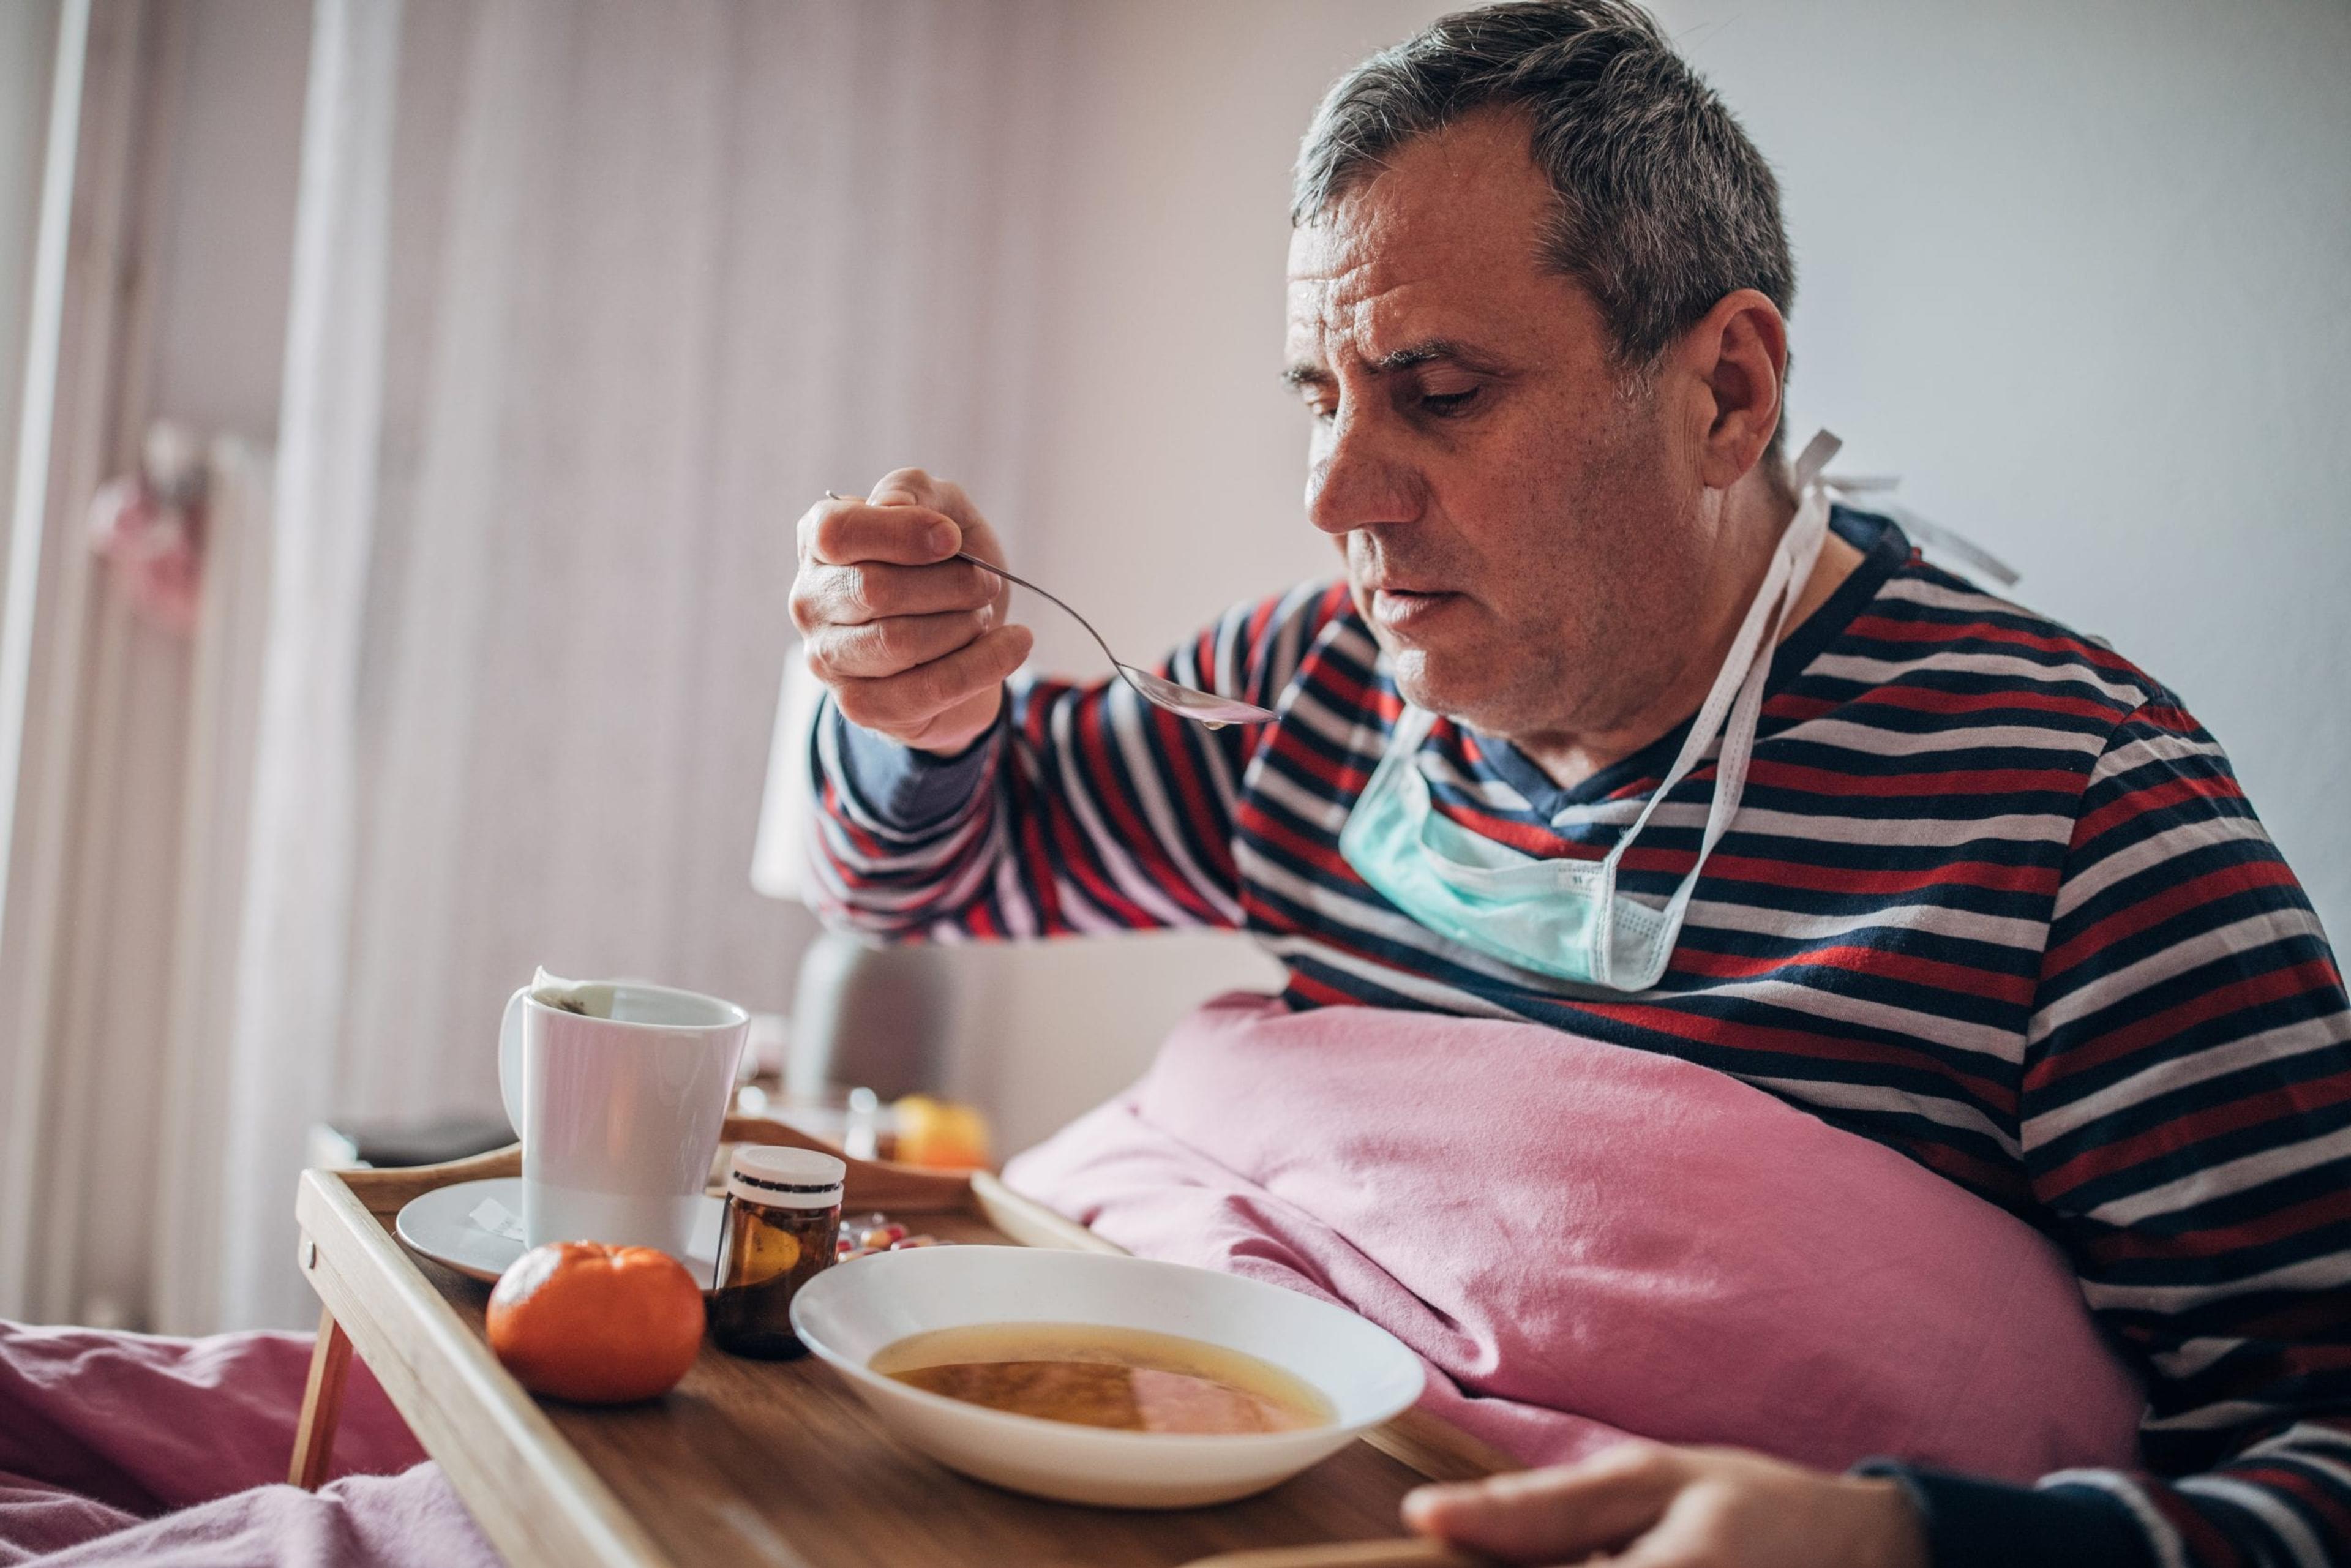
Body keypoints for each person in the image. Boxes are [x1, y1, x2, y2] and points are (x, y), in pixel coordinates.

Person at [790, 3, 2351, 1564]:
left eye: (1440, 393)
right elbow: (925, 871)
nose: (1336, 495)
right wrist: (913, 706)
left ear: (1726, 393)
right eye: (1318, 398)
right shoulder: (1322, 687)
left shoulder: (2077, 820)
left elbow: (2322, 1451)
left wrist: (1904, 1546)